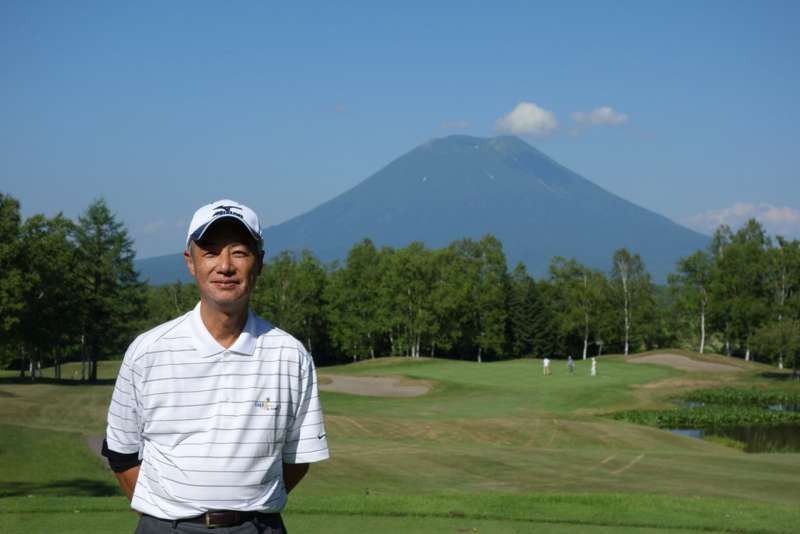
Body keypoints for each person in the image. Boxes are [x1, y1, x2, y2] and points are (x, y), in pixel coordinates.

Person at [102, 199, 329, 533]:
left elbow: (297, 459)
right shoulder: (147, 351)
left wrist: (248, 512)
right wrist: (168, 513)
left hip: (258, 527)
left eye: (239, 252)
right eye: (210, 251)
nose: (225, 266)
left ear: (259, 262)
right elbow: (122, 456)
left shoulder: (290, 355)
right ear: (190, 262)